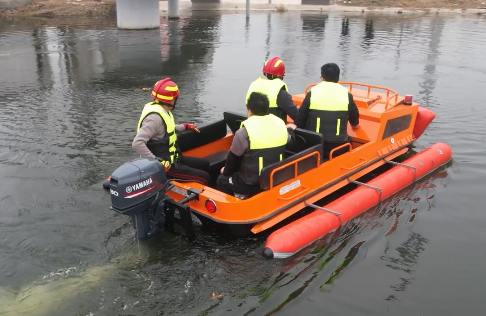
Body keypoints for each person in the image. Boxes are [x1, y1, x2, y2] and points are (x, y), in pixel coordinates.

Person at [132, 78, 212, 186]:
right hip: (165, 165)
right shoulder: (154, 119)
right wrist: (157, 163)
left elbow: (167, 128)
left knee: (205, 164)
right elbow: (137, 143)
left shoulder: (162, 110)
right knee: (204, 177)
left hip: (174, 158)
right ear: (171, 100)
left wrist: (185, 126)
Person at [217, 92, 296, 198]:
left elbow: (232, 162)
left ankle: (238, 205)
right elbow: (291, 144)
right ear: (267, 109)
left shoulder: (243, 132)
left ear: (249, 111)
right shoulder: (281, 125)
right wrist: (290, 129)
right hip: (276, 178)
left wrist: (225, 171)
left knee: (222, 180)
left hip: (253, 184)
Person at [295, 63, 360, 159]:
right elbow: (355, 120)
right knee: (349, 140)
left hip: (315, 146)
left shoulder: (312, 93)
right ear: (338, 78)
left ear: (322, 78)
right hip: (338, 147)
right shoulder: (346, 95)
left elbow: (300, 120)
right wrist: (354, 125)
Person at [245, 57, 299, 124]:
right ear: (282, 75)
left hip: (252, 129)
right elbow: (297, 116)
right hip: (275, 132)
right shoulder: (281, 93)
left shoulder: (254, 86)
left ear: (264, 73)